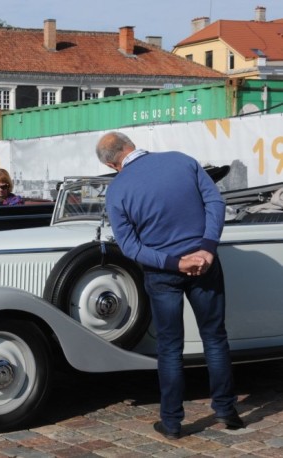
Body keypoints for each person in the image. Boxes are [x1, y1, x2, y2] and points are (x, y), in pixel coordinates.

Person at [95, 131, 242, 439]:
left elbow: (130, 247)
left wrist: (175, 263)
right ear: (131, 145)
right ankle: (227, 410)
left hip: (162, 272)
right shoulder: (182, 161)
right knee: (214, 338)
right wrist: (206, 247)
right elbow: (215, 201)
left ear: (112, 164)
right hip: (204, 262)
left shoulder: (117, 190)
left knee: (170, 348)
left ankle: (172, 422)